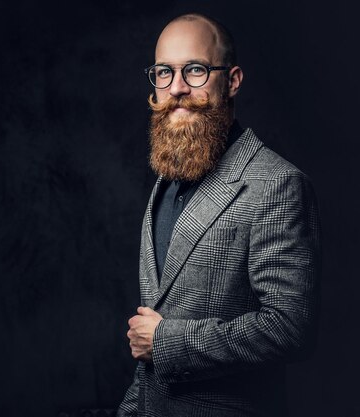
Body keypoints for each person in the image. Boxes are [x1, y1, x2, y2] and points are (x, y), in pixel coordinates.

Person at [117, 13, 321, 417]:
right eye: (164, 72)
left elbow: (291, 327)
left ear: (233, 80)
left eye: (195, 70)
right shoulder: (166, 184)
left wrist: (167, 342)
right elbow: (151, 343)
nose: (176, 88)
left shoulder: (276, 184)